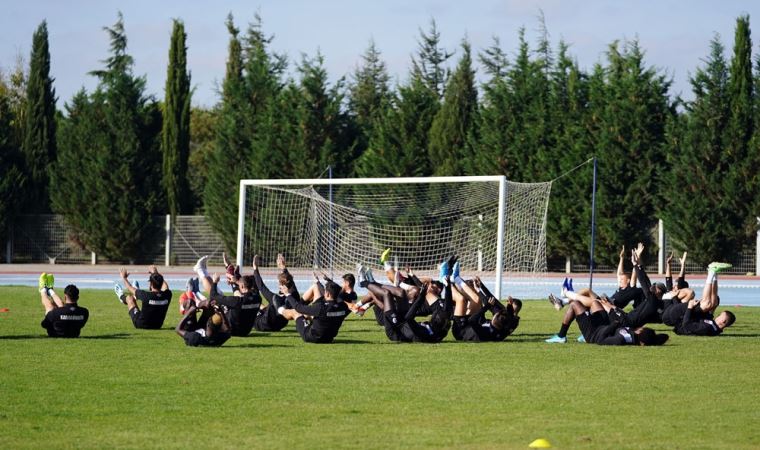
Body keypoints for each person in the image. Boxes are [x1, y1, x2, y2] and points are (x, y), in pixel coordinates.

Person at [192, 256, 261, 337]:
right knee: (220, 298)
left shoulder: (237, 301)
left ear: (242, 286)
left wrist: (215, 282)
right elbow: (247, 291)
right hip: (245, 331)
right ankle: (201, 274)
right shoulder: (257, 298)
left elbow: (213, 295)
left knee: (212, 301)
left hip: (230, 329)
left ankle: (200, 273)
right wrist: (235, 281)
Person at [278, 276, 351, 344]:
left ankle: (280, 311)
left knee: (295, 313)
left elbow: (298, 308)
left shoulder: (321, 307)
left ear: (327, 294)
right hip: (329, 339)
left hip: (312, 337)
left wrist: (287, 294)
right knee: (314, 314)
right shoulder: (343, 306)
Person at [114, 265, 172, 329]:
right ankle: (136, 294)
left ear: (151, 284)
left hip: (140, 324)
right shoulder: (168, 295)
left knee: (129, 298)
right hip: (157, 325)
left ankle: (121, 296)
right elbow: (165, 286)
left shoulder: (146, 295)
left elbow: (129, 288)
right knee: (136, 294)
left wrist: (124, 278)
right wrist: (155, 273)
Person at [251, 254, 297, 332]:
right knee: (263, 307)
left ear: (280, 285)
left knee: (252, 308)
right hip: (279, 326)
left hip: (263, 324)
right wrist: (283, 268)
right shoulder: (294, 295)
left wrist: (255, 269)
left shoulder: (274, 297)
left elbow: (261, 286)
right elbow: (291, 283)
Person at [38, 273, 89, 338]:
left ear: (65, 297)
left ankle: (43, 290)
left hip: (55, 334)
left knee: (49, 307)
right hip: (74, 335)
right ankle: (50, 290)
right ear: (78, 297)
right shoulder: (84, 312)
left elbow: (44, 324)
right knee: (62, 309)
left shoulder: (55, 312)